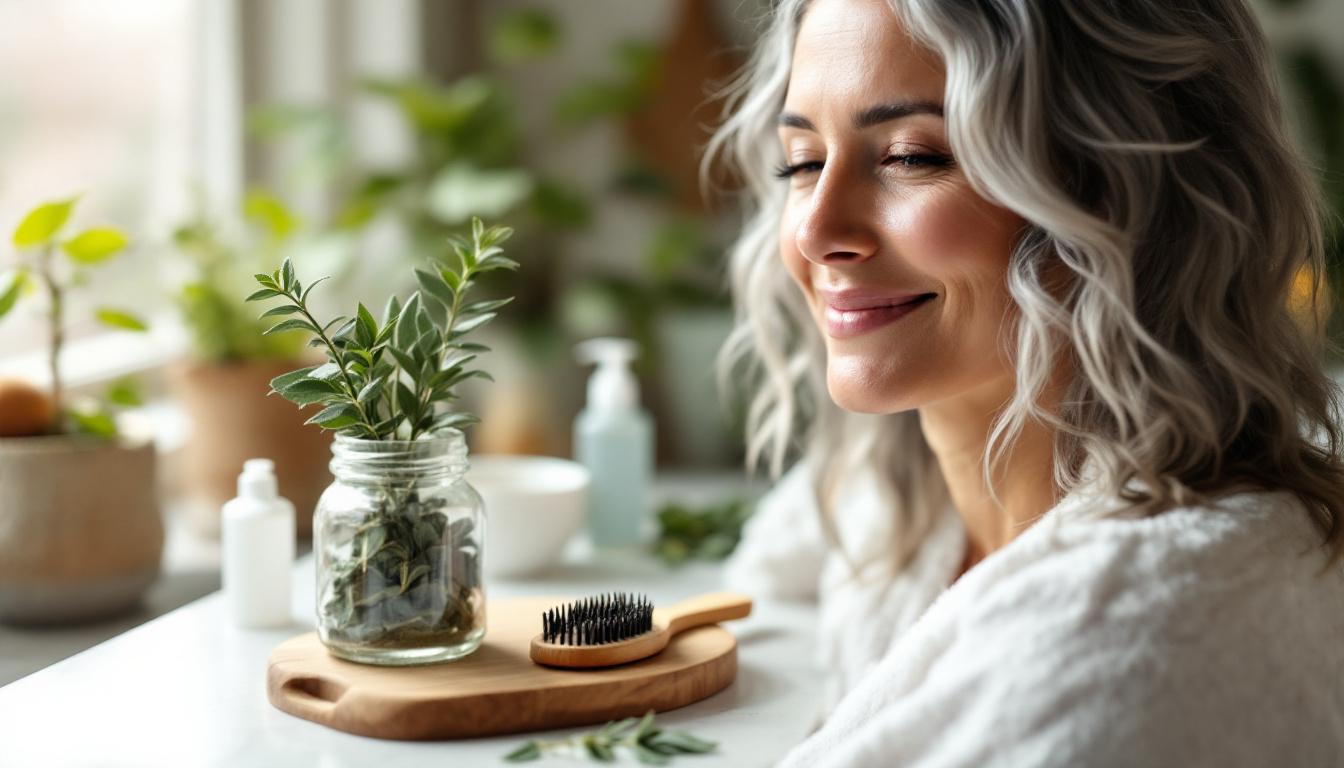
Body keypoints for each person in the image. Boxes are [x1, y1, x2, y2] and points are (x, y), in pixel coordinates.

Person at [710, 0, 1344, 765]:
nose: (815, 230)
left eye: (913, 156)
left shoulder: (1137, 639)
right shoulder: (881, 495)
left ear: (1121, 188)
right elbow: (766, 579)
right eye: (803, 162)